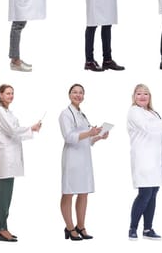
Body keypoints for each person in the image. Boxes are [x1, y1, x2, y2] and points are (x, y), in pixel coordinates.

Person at [127, 84, 162, 240]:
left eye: (146, 94)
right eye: (139, 94)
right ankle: (132, 228)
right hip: (143, 159)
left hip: (156, 161)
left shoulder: (153, 113)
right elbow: (148, 127)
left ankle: (148, 229)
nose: (143, 96)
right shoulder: (134, 112)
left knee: (153, 194)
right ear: (134, 97)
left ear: (150, 97)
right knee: (144, 194)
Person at [58, 83, 108, 240]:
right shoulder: (65, 114)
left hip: (84, 158)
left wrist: (98, 136)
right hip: (72, 158)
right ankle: (69, 227)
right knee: (68, 192)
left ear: (84, 96)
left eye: (80, 93)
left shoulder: (81, 114)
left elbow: (87, 139)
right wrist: (89, 132)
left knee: (83, 192)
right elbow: (69, 137)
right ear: (69, 94)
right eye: (74, 92)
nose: (78, 95)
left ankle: (81, 226)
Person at [0, 84, 42, 241]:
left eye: (12, 93)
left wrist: (31, 129)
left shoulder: (8, 112)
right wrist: (30, 128)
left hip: (11, 157)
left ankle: (4, 227)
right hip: (6, 157)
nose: (10, 96)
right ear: (0, 95)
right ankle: (1, 228)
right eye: (7, 93)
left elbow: (15, 130)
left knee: (8, 194)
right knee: (4, 194)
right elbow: (12, 130)